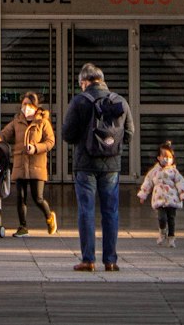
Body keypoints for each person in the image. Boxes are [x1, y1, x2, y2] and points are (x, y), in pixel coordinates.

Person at [61, 62, 133, 272]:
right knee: (111, 211)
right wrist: (111, 145)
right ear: (102, 80)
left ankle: (88, 259)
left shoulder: (80, 101)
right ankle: (110, 261)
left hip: (85, 165)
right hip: (112, 164)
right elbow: (129, 133)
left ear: (84, 82)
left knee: (87, 210)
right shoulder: (119, 101)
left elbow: (67, 134)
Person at [0, 91, 57, 236]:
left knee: (38, 197)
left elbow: (50, 141)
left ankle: (49, 216)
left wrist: (36, 148)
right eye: (24, 104)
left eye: (29, 105)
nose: (26, 108)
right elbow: (5, 133)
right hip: (20, 163)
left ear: (35, 106)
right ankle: (23, 227)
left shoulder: (43, 122)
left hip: (37, 164)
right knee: (20, 197)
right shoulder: (17, 121)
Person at [137, 140, 184, 248]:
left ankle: (171, 237)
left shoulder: (174, 172)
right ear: (159, 157)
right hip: (159, 199)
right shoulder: (154, 171)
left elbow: (181, 183)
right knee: (162, 218)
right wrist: (143, 194)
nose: (167, 159)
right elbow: (148, 182)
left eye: (169, 157)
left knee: (171, 219)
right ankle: (162, 232)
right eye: (164, 156)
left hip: (172, 199)